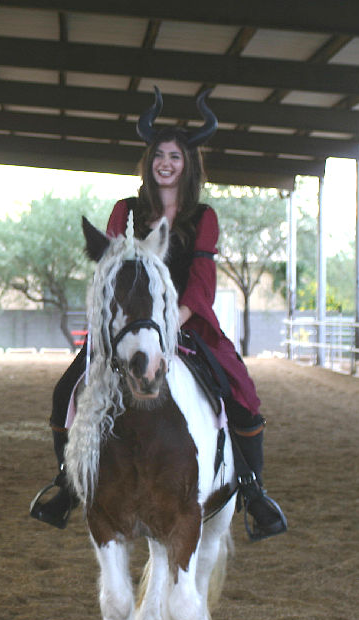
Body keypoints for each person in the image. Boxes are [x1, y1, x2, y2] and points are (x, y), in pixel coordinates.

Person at [30, 87, 287, 541]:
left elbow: (202, 282)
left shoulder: (203, 217)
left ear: (188, 164)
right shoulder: (125, 211)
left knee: (241, 392)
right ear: (149, 162)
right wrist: (129, 324)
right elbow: (111, 269)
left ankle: (253, 489)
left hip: (185, 323)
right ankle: (67, 484)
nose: (165, 163)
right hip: (125, 327)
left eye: (175, 156)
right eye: (159, 155)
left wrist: (168, 324)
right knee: (65, 392)